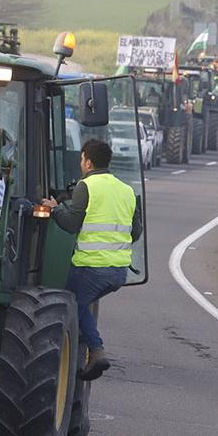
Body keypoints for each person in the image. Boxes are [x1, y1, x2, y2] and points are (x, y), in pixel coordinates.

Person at [41, 140, 135, 382]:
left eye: (82, 159)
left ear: (88, 161)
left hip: (92, 267)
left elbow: (71, 224)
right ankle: (80, 360)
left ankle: (96, 350)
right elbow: (135, 232)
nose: (81, 164)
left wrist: (54, 208)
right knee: (80, 307)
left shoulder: (87, 186)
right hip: (119, 271)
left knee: (70, 302)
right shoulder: (126, 190)